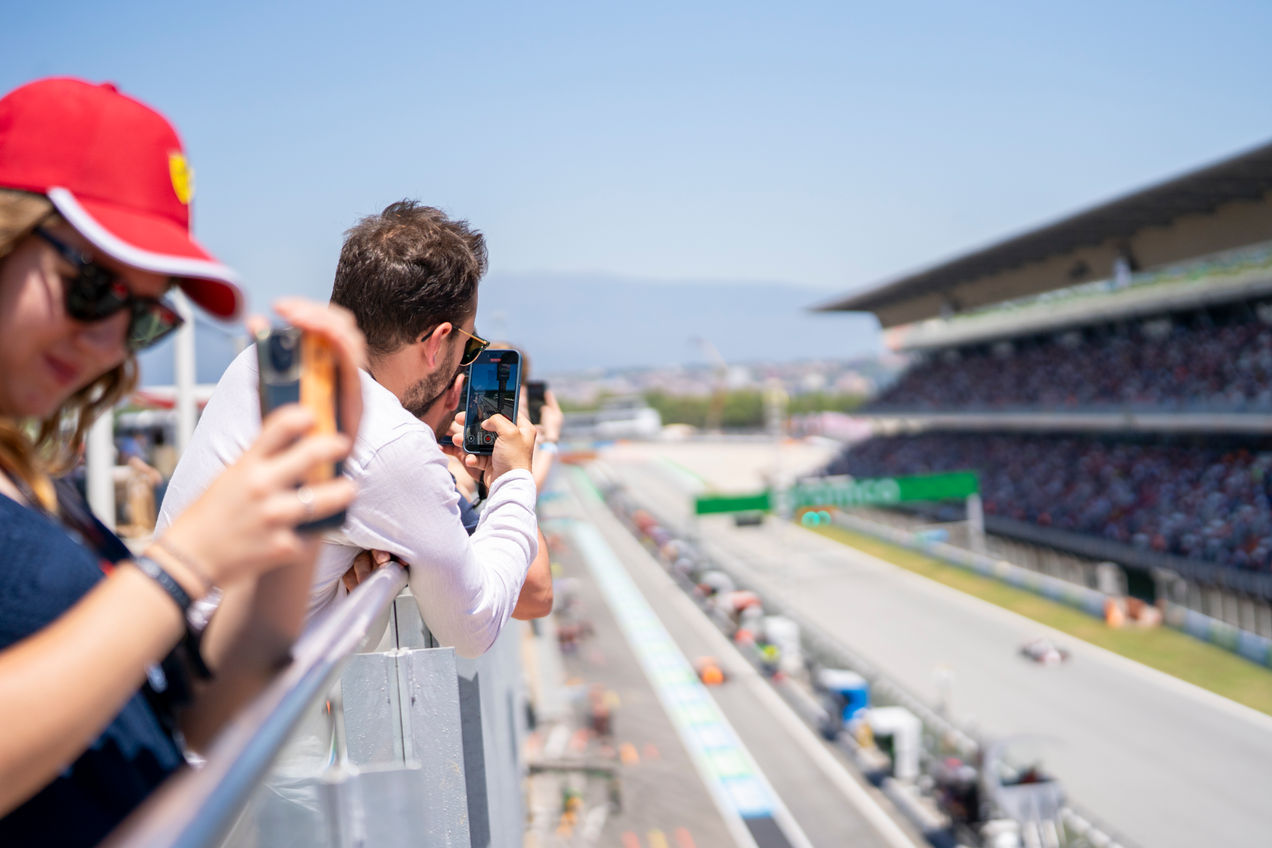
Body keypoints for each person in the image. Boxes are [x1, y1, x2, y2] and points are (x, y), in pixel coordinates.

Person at [0, 77, 366, 845]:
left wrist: (306, 497)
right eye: (94, 287)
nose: (106, 344)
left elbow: (205, 706)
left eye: (143, 318)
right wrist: (181, 563)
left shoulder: (43, 488)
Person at [160, 201, 552, 655]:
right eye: (469, 346)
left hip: (166, 669)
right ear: (436, 341)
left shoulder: (268, 362)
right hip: (245, 713)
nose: (465, 362)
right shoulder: (388, 442)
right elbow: (474, 625)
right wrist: (512, 478)